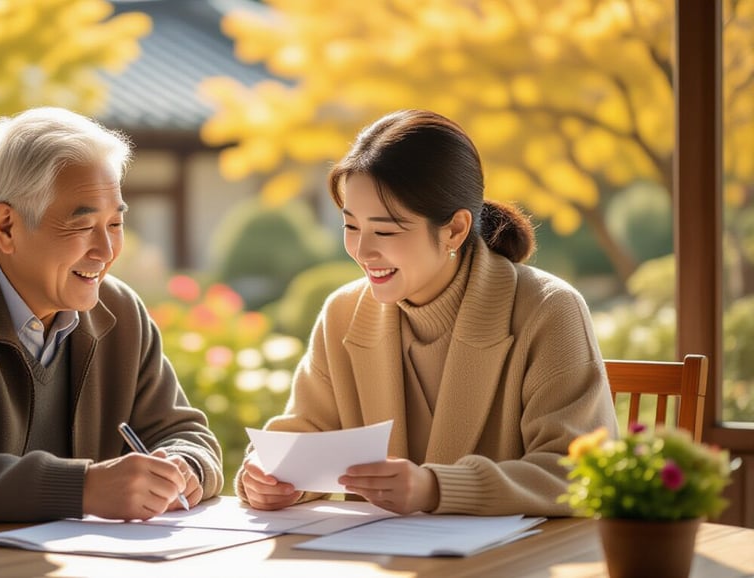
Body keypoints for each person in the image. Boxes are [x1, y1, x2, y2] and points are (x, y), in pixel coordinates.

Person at [237, 109, 618, 517]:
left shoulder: (547, 309)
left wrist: (437, 488)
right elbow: (305, 435)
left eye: (384, 230)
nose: (362, 252)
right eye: (350, 226)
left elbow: (576, 471)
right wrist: (270, 478)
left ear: (454, 229)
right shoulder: (343, 313)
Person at [0, 107, 223, 522]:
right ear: (7, 226)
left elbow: (186, 435)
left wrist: (184, 468)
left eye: (115, 224)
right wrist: (82, 488)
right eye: (83, 226)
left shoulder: (119, 311)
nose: (106, 251)